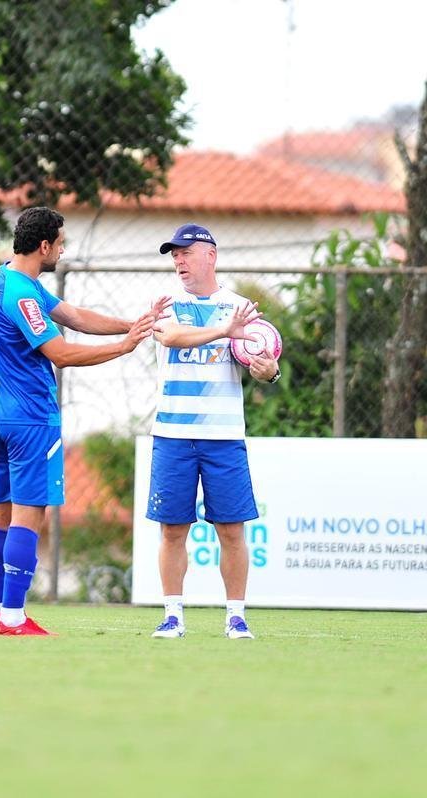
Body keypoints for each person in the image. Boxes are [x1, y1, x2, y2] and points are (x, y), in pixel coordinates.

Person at [0, 206, 167, 636]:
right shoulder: (22, 296)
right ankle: (12, 617)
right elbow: (60, 353)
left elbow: (73, 316)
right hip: (29, 421)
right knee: (29, 518)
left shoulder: (3, 277)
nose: (63, 251)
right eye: (61, 244)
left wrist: (134, 325)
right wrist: (124, 347)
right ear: (44, 246)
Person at [147, 223, 279, 640]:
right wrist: (224, 331)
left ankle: (236, 617)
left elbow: (261, 355)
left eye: (186, 252)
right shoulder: (167, 305)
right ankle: (172, 616)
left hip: (224, 436)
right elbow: (172, 338)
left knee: (232, 530)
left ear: (211, 255)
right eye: (175, 255)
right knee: (172, 529)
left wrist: (268, 370)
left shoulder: (241, 307)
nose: (179, 261)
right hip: (172, 432)